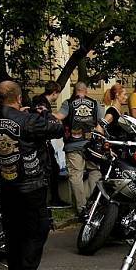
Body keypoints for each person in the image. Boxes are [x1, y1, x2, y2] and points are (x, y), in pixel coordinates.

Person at [0, 81, 63, 270]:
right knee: (38, 229)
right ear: (18, 98)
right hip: (30, 184)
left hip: (5, 185)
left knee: (13, 234)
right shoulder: (28, 119)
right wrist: (39, 113)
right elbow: (57, 128)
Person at [57, 81, 104, 216]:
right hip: (92, 146)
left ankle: (82, 208)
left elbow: (60, 116)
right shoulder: (95, 103)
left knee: (76, 176)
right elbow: (101, 124)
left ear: (74, 90)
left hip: (73, 145)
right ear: (86, 91)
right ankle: (90, 202)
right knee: (95, 171)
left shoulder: (68, 103)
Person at [31, 81, 68, 207]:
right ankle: (53, 199)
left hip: (42, 142)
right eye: (58, 94)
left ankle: (53, 198)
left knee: (53, 168)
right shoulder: (43, 104)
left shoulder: (38, 101)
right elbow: (46, 124)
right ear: (54, 93)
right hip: (42, 142)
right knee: (52, 169)